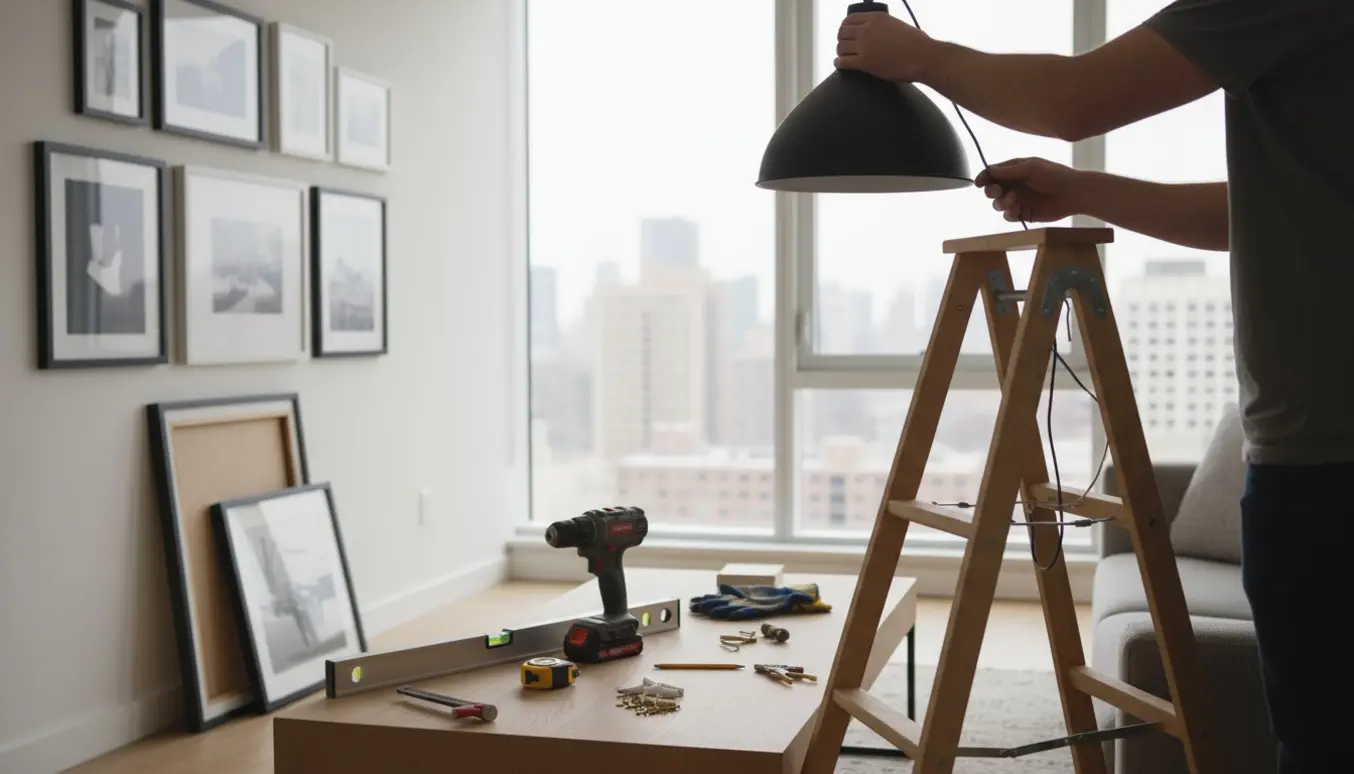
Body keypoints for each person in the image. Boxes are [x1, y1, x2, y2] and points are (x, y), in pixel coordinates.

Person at [834, 1, 1354, 771]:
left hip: (1326, 463)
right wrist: (1084, 192)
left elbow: (1071, 102)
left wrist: (918, 55)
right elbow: (1255, 210)